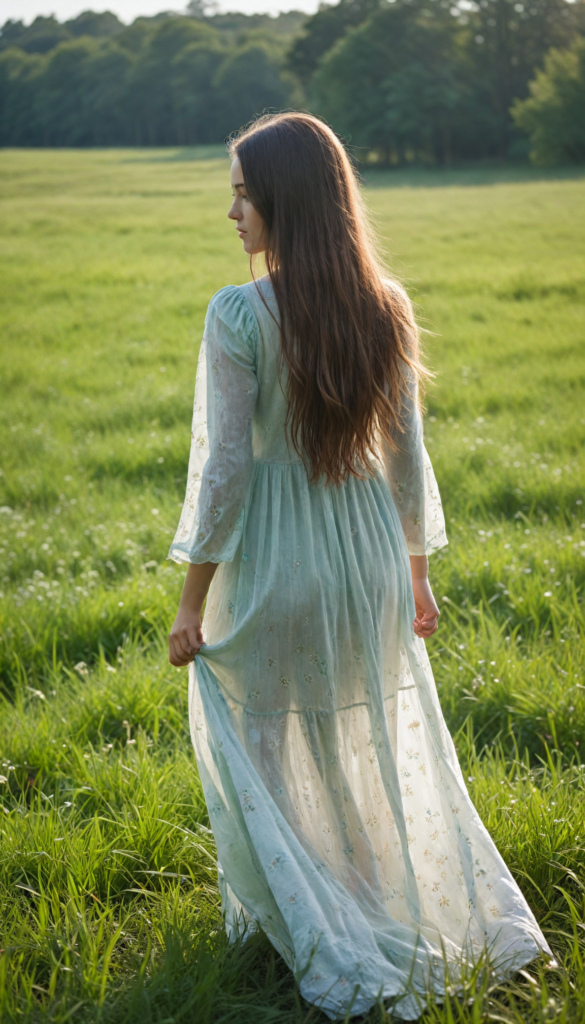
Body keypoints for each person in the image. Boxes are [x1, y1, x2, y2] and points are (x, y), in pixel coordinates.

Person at [167, 112, 553, 1020]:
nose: (230, 211)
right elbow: (407, 458)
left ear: (282, 203)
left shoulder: (238, 313)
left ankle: (314, 925)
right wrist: (414, 573)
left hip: (275, 561)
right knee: (361, 735)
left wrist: (190, 602)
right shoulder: (387, 304)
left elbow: (223, 474)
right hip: (369, 556)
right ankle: (376, 895)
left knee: (265, 748)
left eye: (241, 193)